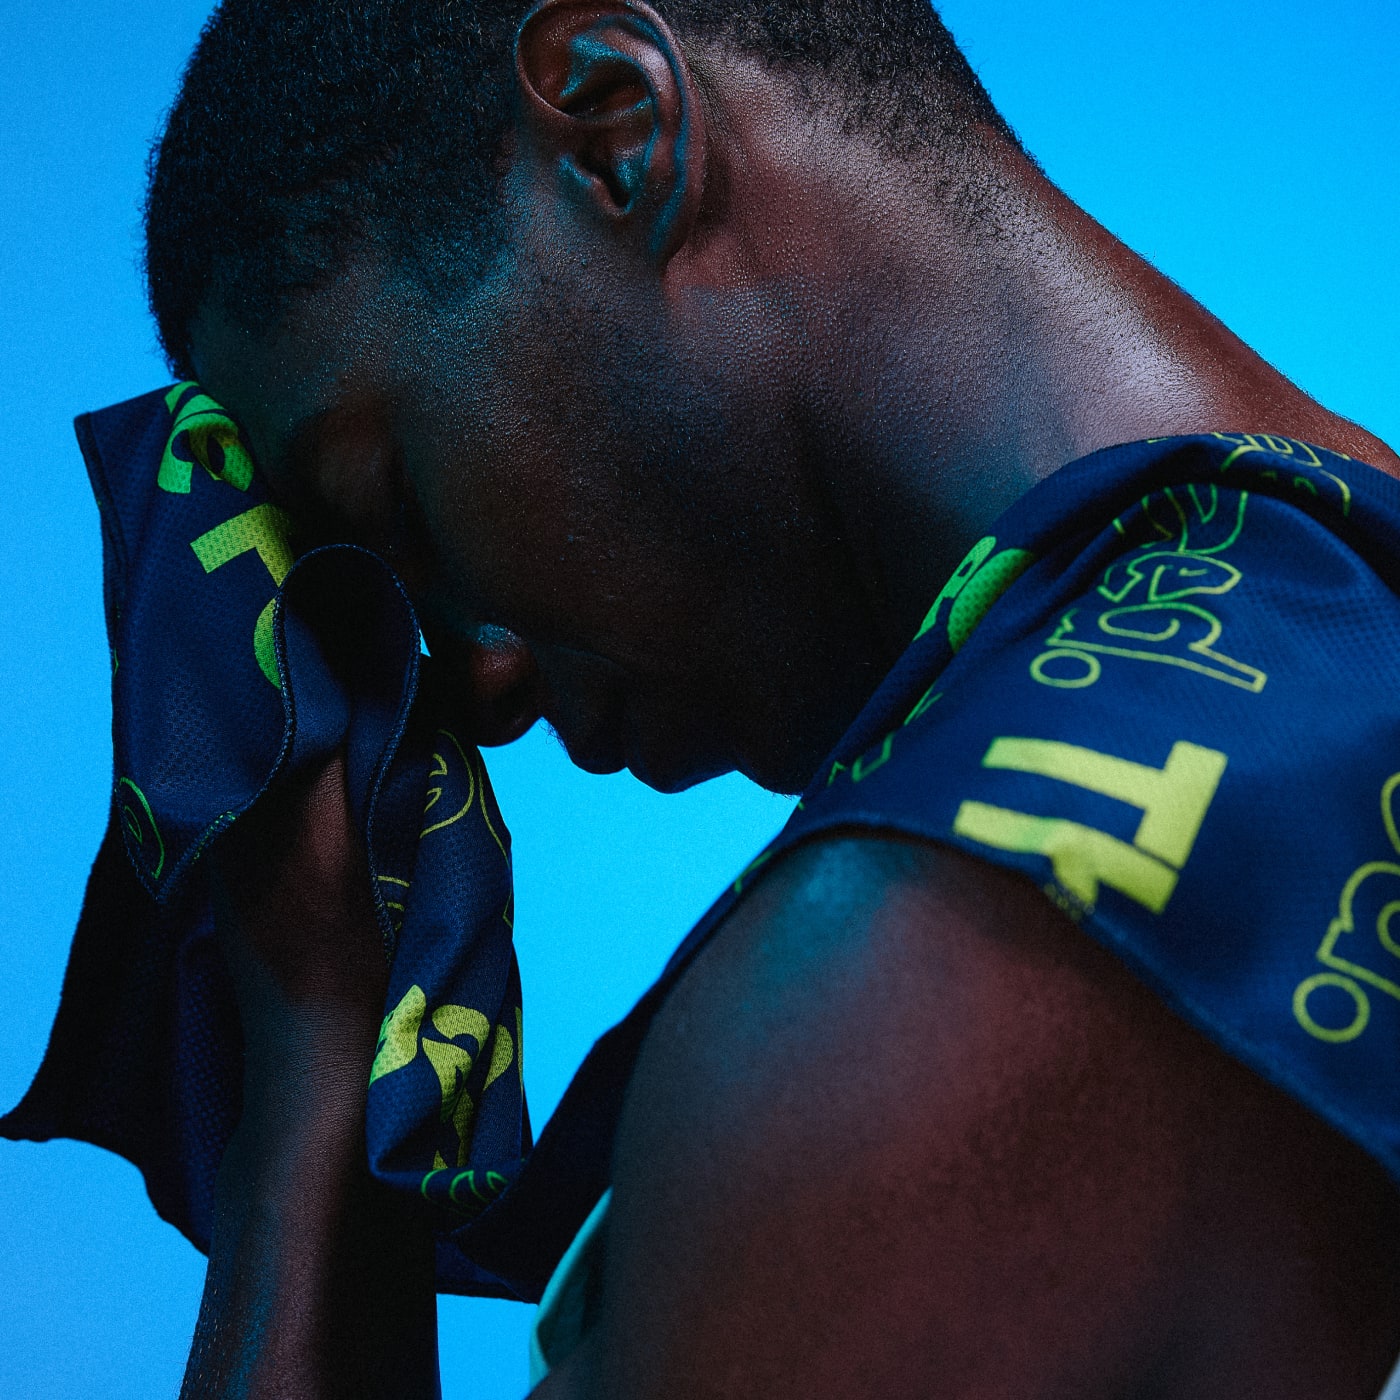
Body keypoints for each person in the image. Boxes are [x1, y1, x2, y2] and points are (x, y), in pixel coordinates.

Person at [140, 0, 1400, 1395]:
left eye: (397, 501)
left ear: (620, 135)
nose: (477, 684)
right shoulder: (1330, 653)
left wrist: (310, 1097)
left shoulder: (925, 975)